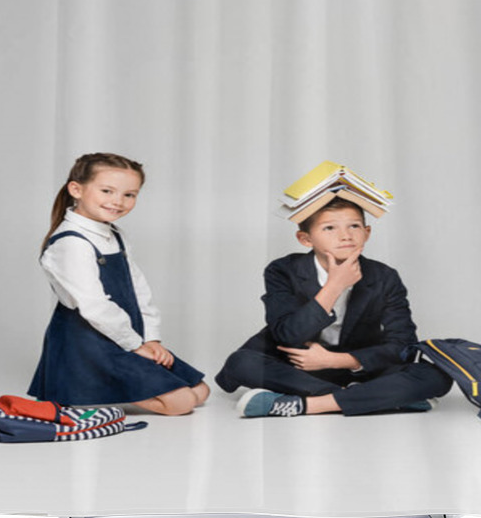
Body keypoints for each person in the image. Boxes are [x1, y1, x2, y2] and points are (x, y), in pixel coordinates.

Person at [215, 198, 452, 416]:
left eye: (354, 226)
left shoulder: (384, 276)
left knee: (437, 374)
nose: (345, 236)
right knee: (241, 362)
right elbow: (287, 334)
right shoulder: (282, 270)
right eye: (330, 228)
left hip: (356, 364)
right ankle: (378, 397)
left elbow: (404, 345)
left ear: (367, 233)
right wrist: (335, 285)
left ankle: (308, 404)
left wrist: (336, 360)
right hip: (297, 365)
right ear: (305, 239)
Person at [28, 153, 210, 416]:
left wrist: (151, 339)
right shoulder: (71, 243)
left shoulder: (114, 234)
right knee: (181, 403)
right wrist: (136, 346)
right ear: (76, 189)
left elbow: (138, 291)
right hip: (88, 341)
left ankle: (118, 386)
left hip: (126, 333)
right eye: (107, 191)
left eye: (129, 195)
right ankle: (91, 387)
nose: (118, 201)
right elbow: (94, 306)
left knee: (200, 392)